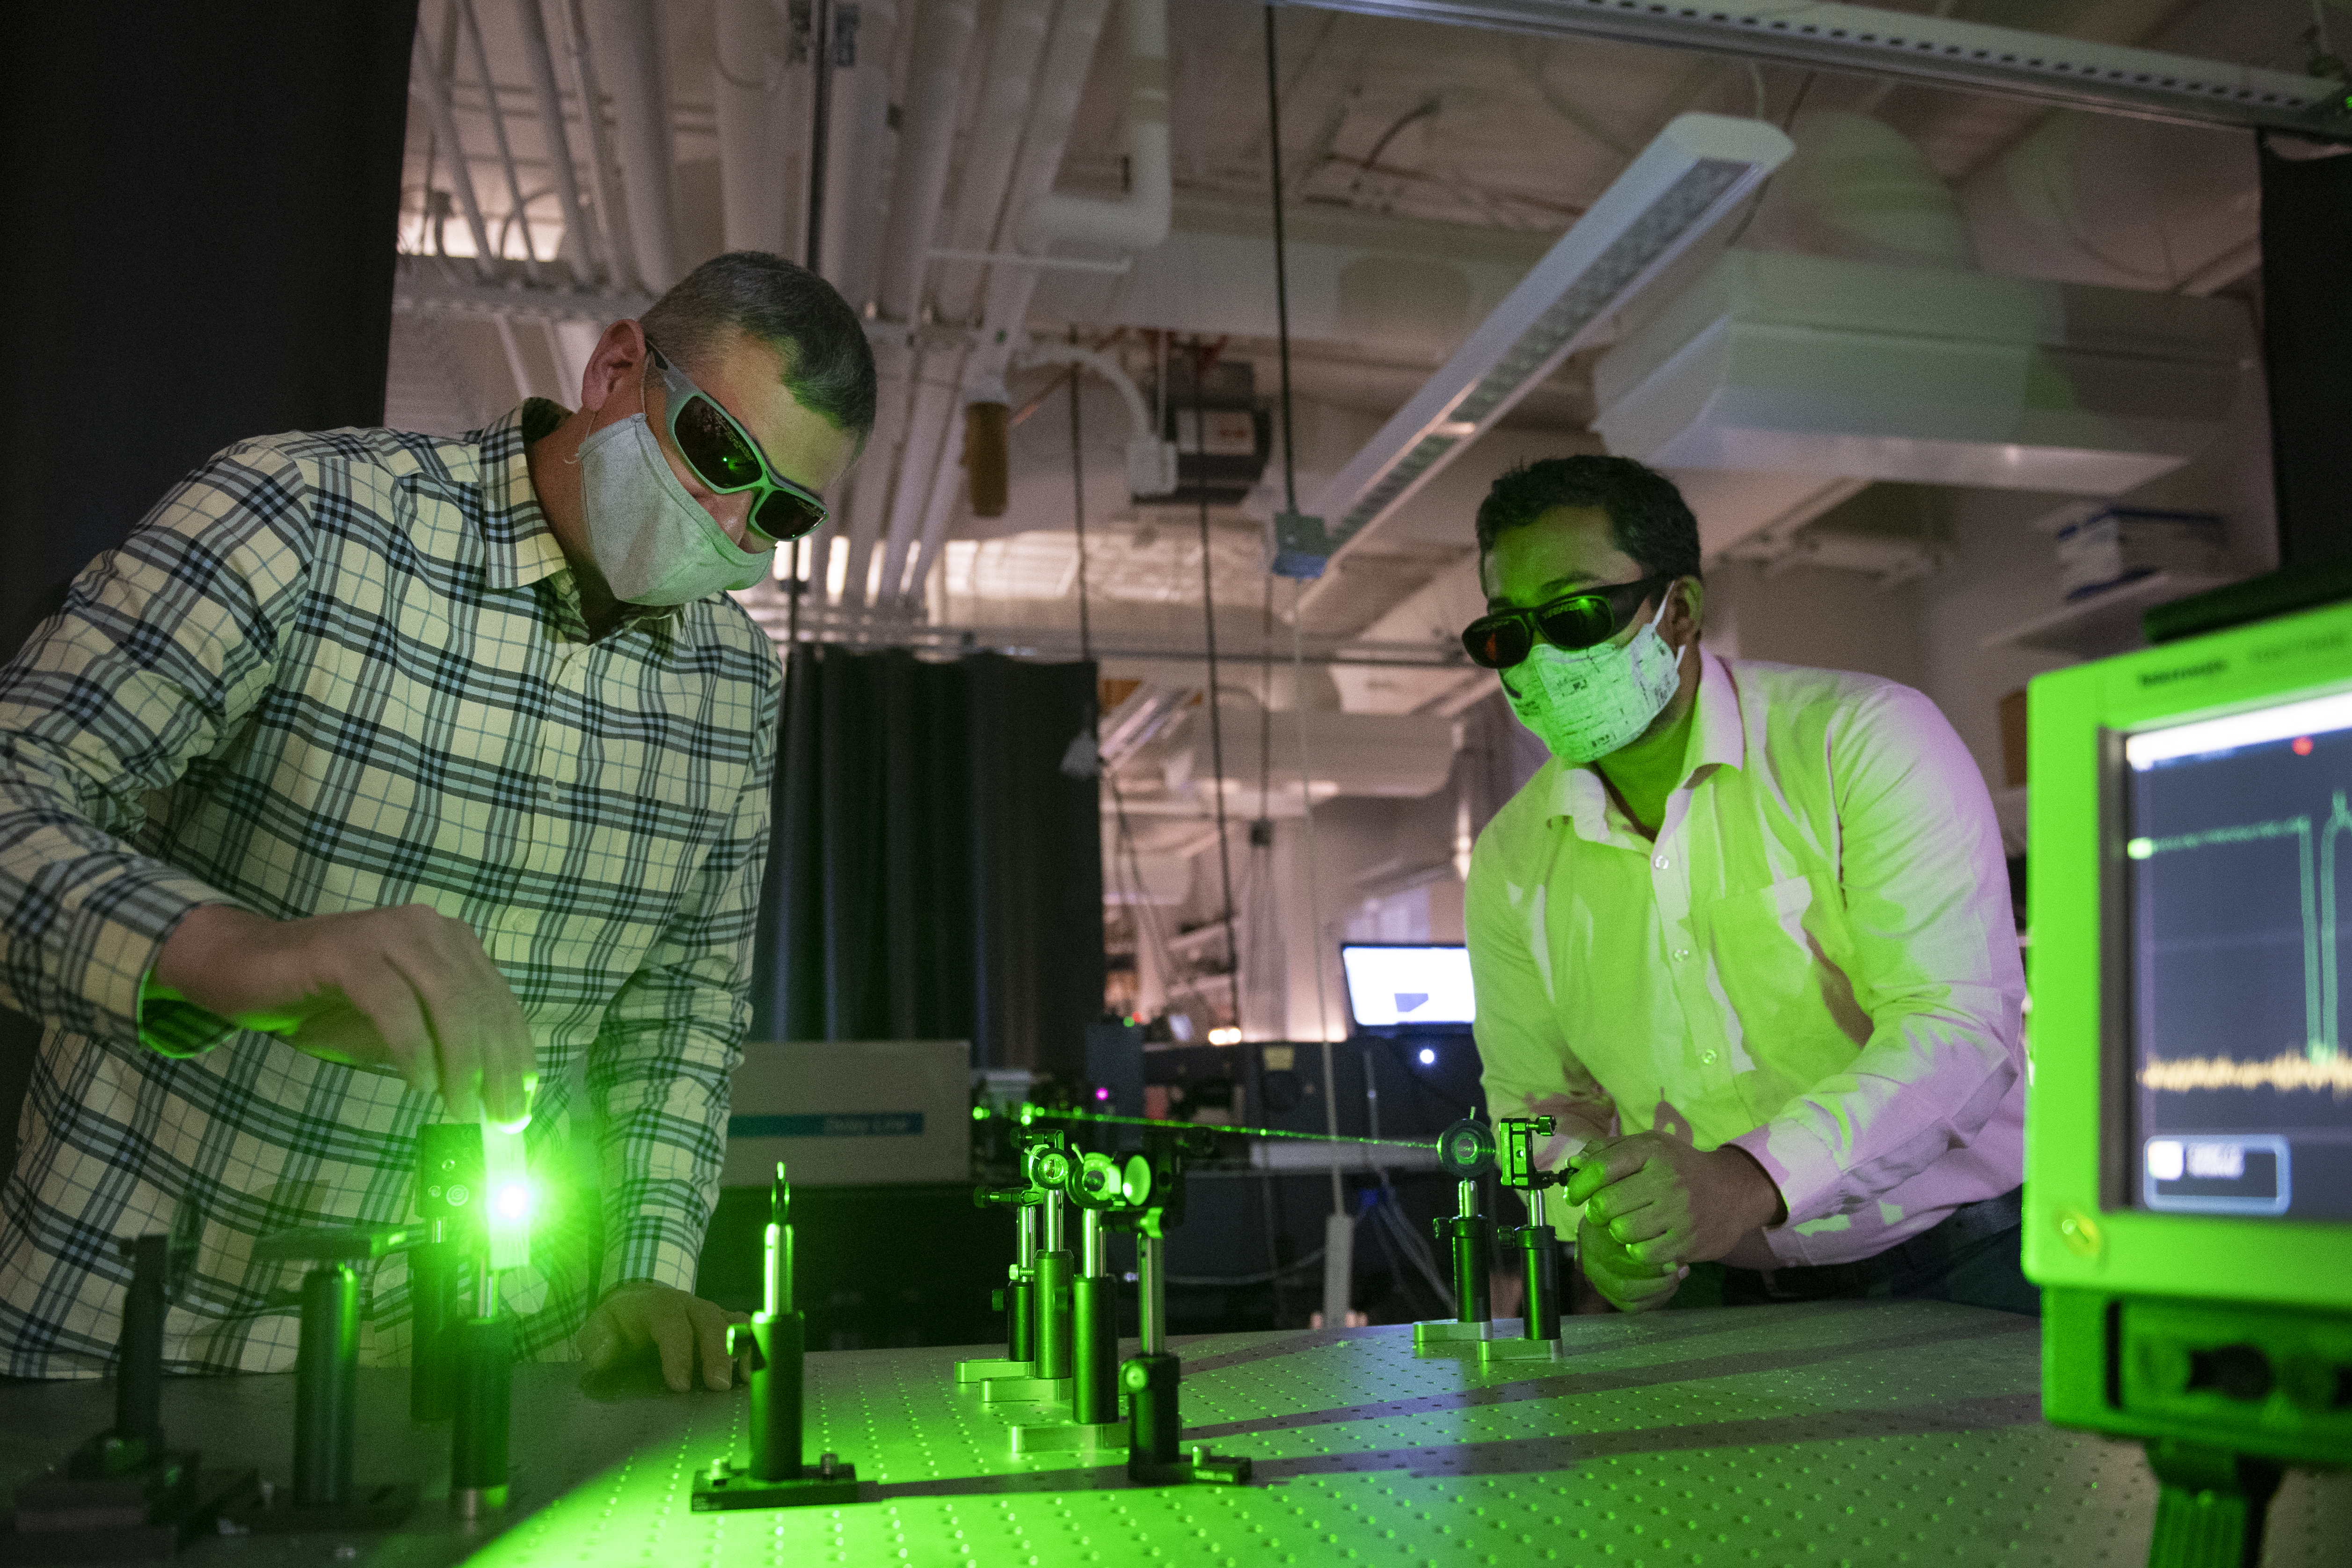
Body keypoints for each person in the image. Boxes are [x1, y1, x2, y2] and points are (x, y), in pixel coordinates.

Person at [0, 251, 873, 1385]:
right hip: (131, 1333)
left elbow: (683, 1008)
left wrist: (647, 1262)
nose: (727, 517)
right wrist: (230, 951)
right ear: (617, 366)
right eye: (718, 452)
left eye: (779, 510)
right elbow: (20, 777)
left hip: (493, 1361)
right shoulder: (308, 516)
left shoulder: (732, 683)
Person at [1461, 456, 2032, 1315]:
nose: (1541, 661)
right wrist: (1593, 1224)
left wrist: (1748, 1179)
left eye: (1575, 616)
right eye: (1508, 635)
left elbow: (1956, 1028)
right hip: (1713, 1292)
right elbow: (1535, 1106)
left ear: (1680, 610)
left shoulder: (1861, 742)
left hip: (1951, 1267)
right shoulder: (1512, 859)